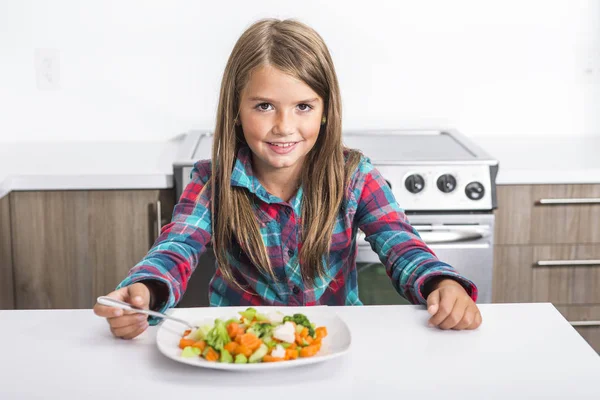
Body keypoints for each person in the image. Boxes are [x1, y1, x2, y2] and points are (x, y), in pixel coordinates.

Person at [94, 18, 482, 339]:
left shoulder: (354, 176)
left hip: (334, 345)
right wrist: (146, 290)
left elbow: (402, 245)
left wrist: (440, 284)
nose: (284, 126)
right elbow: (176, 247)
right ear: (235, 110)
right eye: (264, 106)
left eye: (303, 106)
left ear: (325, 110)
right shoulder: (213, 182)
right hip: (240, 347)